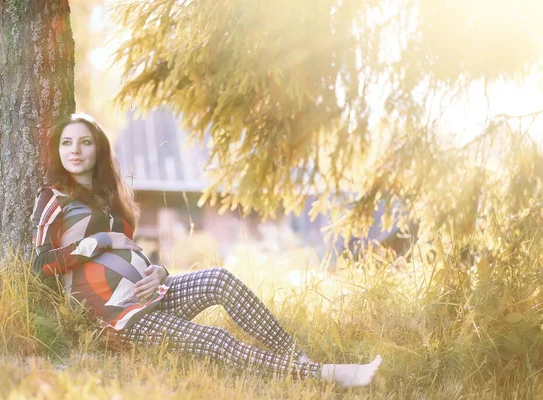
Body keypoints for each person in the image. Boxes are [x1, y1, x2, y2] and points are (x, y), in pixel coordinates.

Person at [30, 112, 382, 387]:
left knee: (219, 278)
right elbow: (41, 265)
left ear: (99, 149)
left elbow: (131, 254)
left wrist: (159, 272)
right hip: (116, 317)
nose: (75, 150)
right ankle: (322, 374)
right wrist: (100, 241)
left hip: (149, 295)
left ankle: (301, 361)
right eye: (67, 143)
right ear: (58, 151)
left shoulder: (112, 200)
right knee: (216, 339)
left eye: (85, 142)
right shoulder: (54, 199)